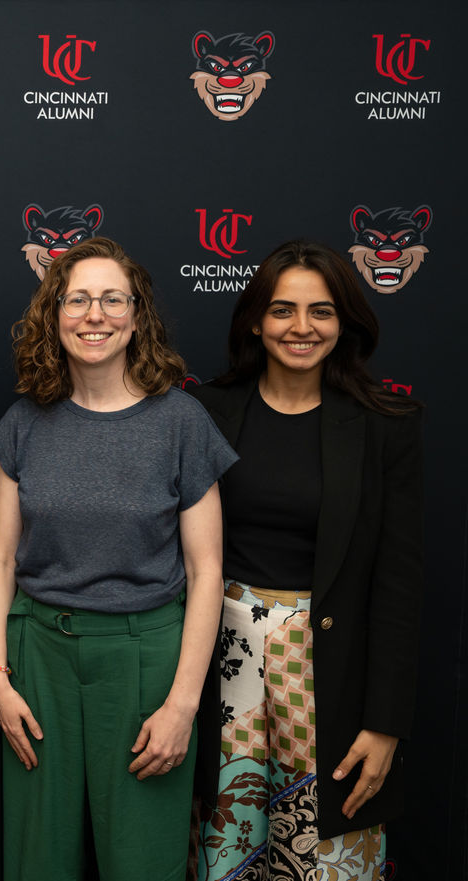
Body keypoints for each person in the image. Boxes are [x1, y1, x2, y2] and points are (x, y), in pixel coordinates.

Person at [0, 237, 234, 880]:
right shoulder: (25, 421)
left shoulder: (182, 422)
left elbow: (207, 573)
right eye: (78, 300)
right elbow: (2, 558)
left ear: (136, 315)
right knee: (38, 862)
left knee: (142, 862)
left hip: (147, 661)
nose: (95, 315)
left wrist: (183, 704)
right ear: (54, 314)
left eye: (112, 299)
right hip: (38, 660)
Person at [190, 241, 423, 880]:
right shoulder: (205, 413)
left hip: (330, 672)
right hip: (221, 663)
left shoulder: (386, 426)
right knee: (224, 855)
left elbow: (398, 587)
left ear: (343, 321)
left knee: (324, 862)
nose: (301, 328)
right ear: (255, 322)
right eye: (282, 310)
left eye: (320, 311)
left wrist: (385, 725)